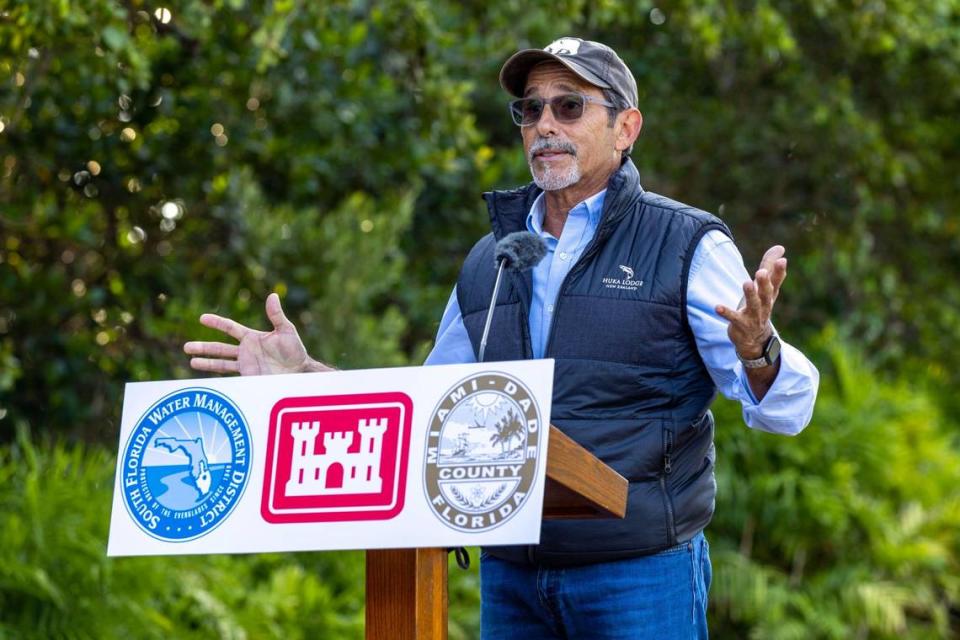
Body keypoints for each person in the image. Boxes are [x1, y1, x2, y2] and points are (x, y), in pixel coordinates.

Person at [185, 37, 819, 640]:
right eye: (530, 108)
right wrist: (304, 380)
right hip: (512, 577)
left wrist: (757, 348)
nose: (545, 124)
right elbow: (425, 407)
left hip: (638, 572)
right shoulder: (494, 260)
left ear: (626, 129)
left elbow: (786, 408)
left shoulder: (685, 243)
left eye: (569, 106)